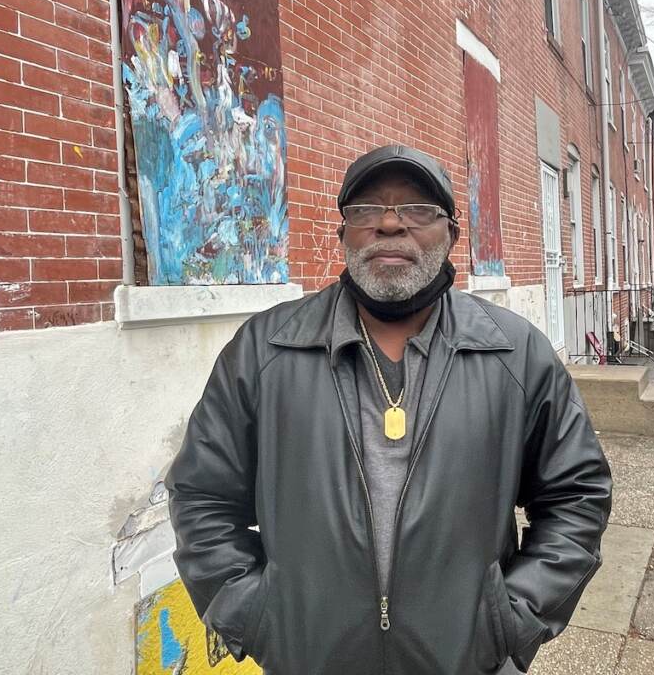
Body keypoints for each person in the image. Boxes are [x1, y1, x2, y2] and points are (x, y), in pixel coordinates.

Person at [166, 144, 612, 675]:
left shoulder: (515, 354)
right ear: (344, 235)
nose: (389, 224)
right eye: (365, 210)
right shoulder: (265, 351)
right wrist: (257, 615)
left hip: (465, 661)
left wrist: (511, 619)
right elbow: (201, 496)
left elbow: (577, 496)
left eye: (419, 210)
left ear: (451, 236)